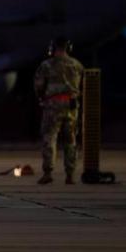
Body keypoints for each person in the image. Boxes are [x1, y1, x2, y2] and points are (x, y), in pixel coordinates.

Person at [33, 37, 84, 185]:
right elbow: (82, 84)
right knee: (71, 140)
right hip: (72, 105)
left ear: (53, 48)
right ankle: (70, 175)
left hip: (53, 105)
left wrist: (41, 98)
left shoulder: (47, 65)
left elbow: (38, 85)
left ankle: (48, 173)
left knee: (50, 138)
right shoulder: (76, 65)